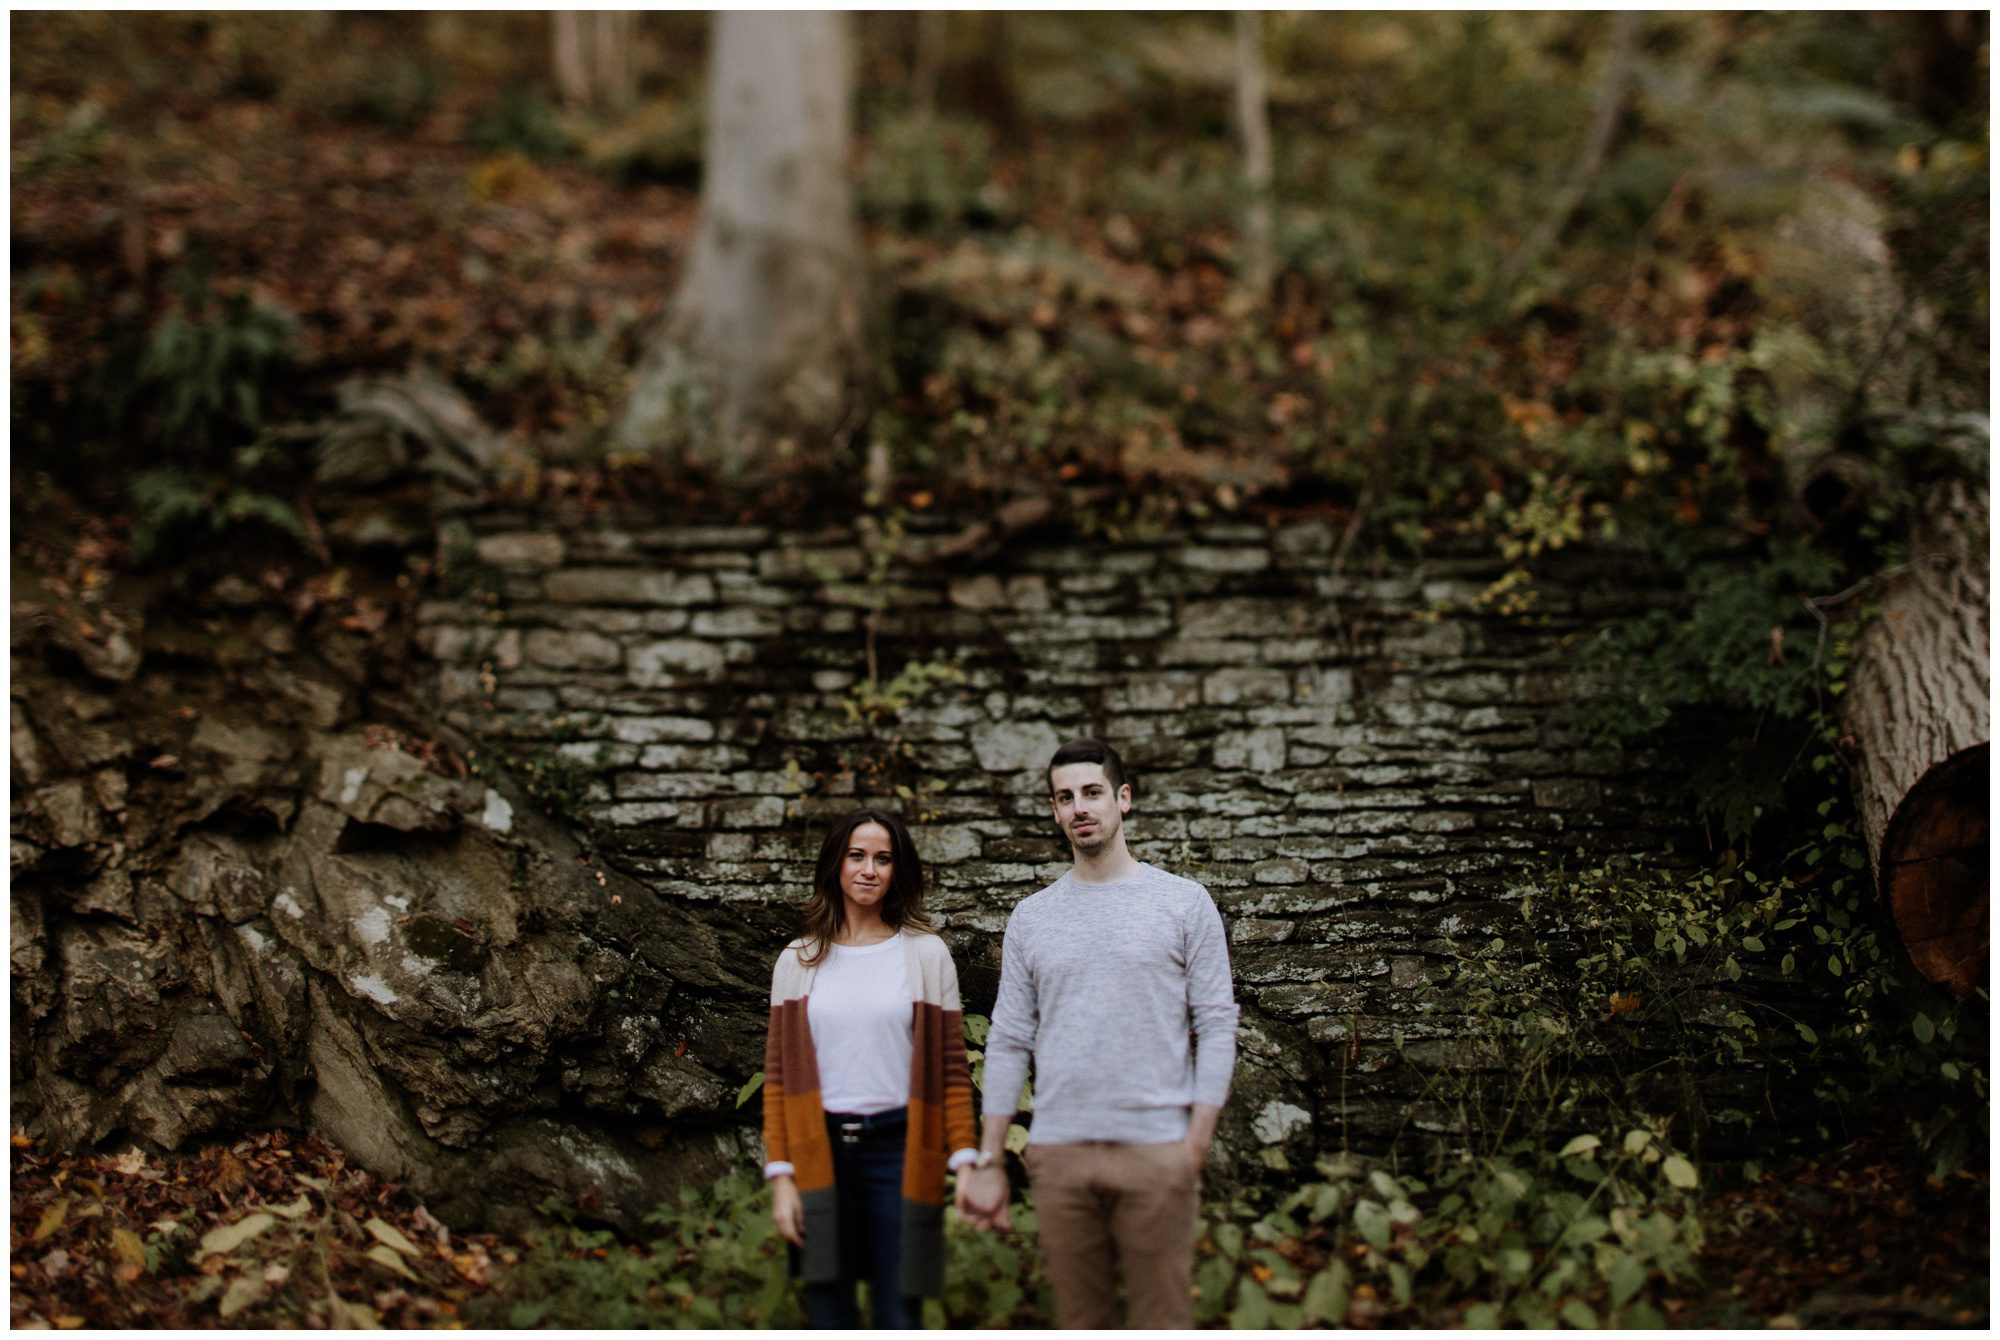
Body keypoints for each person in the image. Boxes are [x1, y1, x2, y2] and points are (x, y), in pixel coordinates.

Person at [955, 737, 1239, 1329]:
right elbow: (1008, 1040)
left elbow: (1216, 1024)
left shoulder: (1183, 904)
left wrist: (1194, 1144)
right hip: (1061, 1158)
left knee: (1162, 1321)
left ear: (1123, 799)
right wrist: (989, 1160)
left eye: (1091, 792)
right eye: (1065, 798)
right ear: (1055, 812)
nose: (1079, 808)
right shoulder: (1032, 917)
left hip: (1156, 1151)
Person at [761, 808, 980, 1329]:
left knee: (898, 1315)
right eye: (856, 856)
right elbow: (778, 1078)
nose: (868, 869)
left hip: (898, 1155)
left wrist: (966, 1161)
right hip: (821, 1151)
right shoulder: (799, 959)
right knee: (829, 1314)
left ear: (897, 870)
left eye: (883, 859)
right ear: (835, 865)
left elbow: (951, 1069)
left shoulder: (927, 956)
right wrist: (782, 1177)